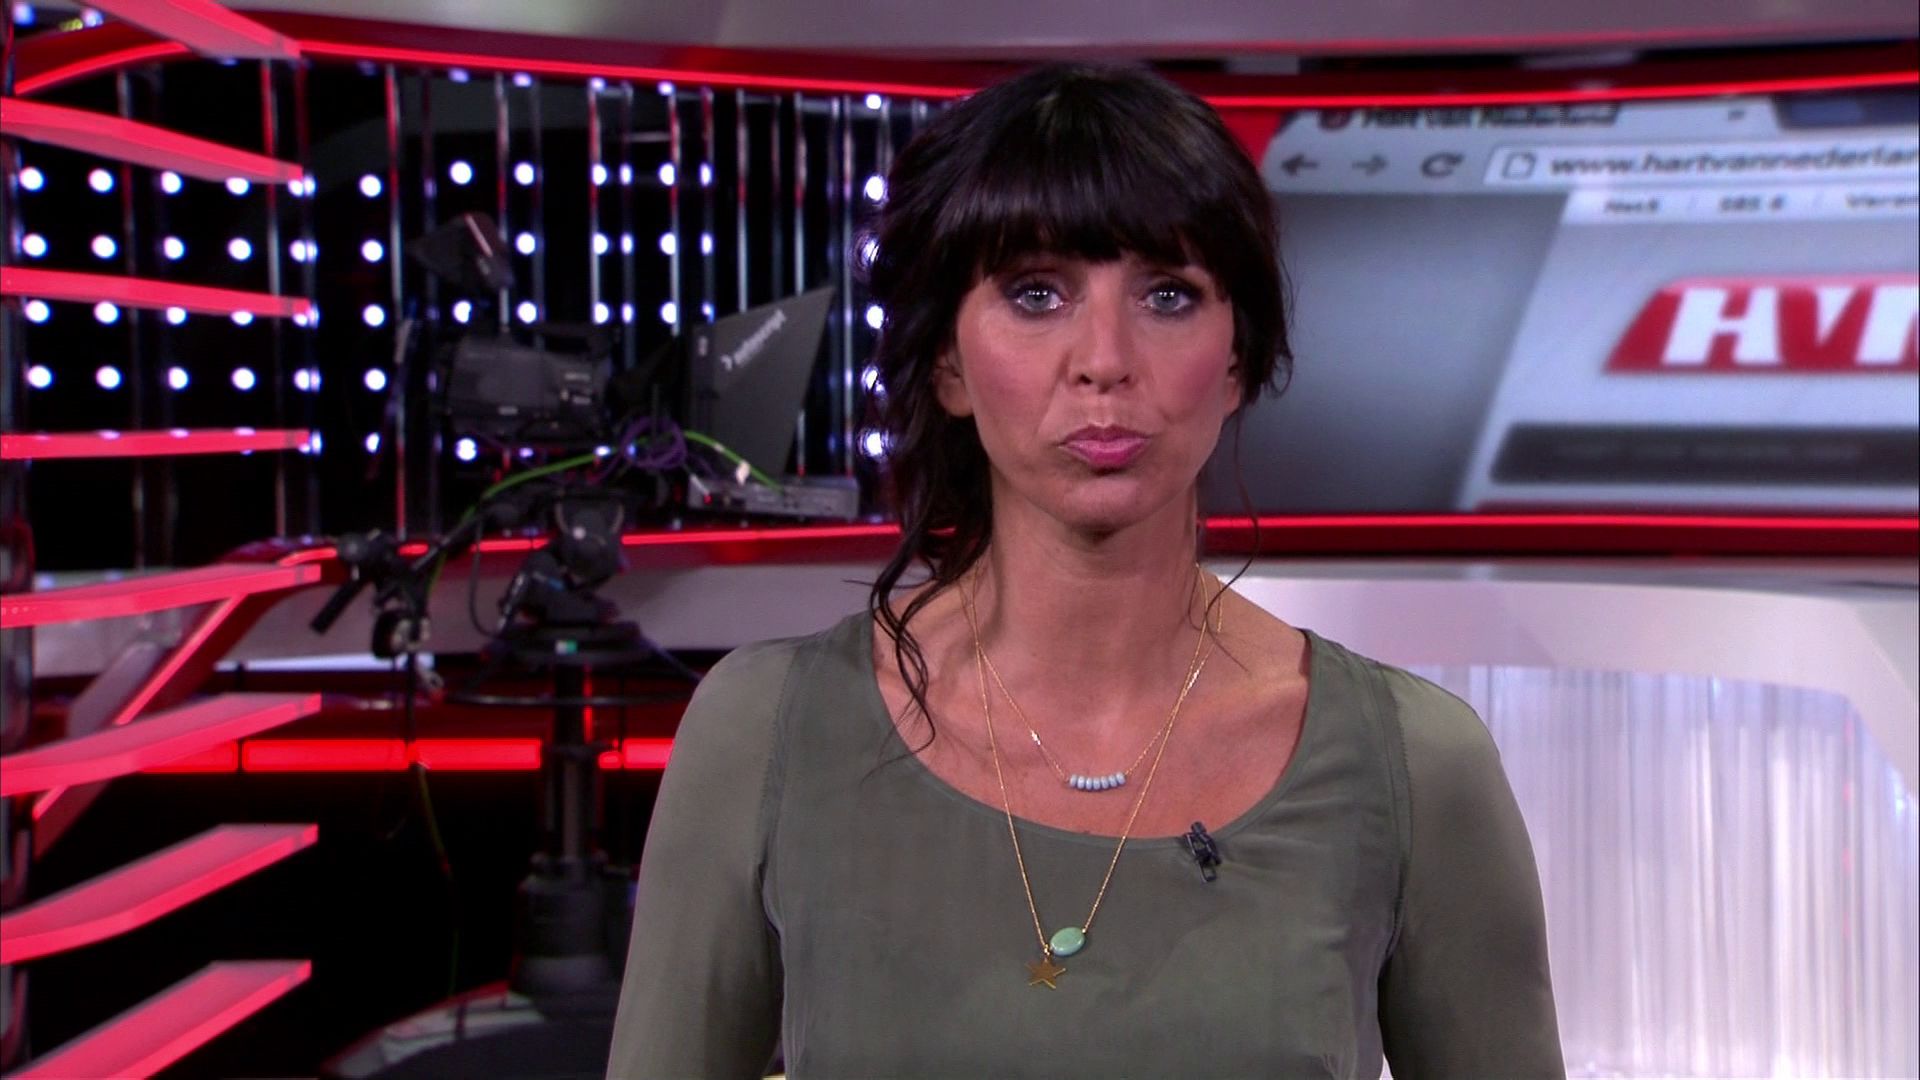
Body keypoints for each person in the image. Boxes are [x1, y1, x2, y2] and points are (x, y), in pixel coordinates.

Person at [607, 61, 1562, 1078]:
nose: (1104, 358)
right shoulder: (764, 735)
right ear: (948, 363)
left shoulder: (1415, 766)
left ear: (1238, 360)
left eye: (1167, 294)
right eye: (1036, 293)